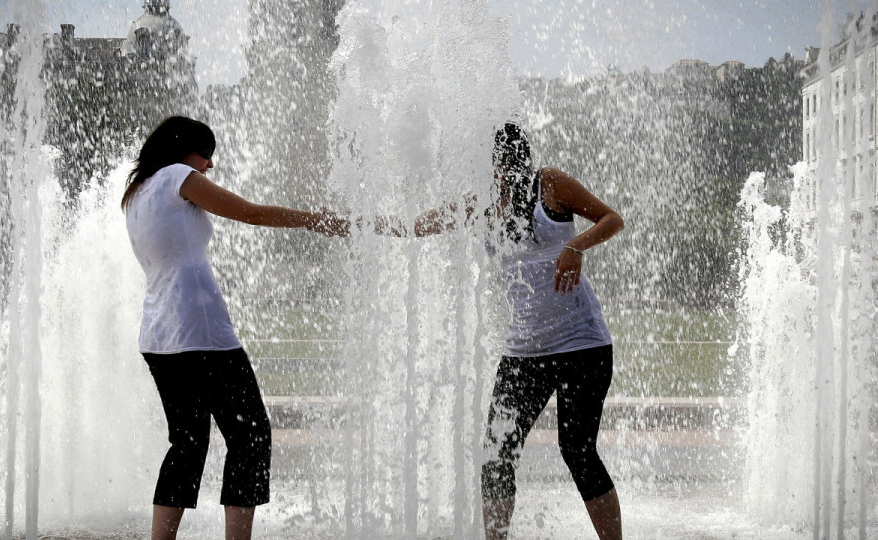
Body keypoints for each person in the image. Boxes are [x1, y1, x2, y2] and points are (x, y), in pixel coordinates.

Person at [375, 122, 624, 539]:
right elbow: (418, 226)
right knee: (496, 455)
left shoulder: (550, 185)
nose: (503, 170)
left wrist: (575, 245)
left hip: (582, 345)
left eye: (510, 162)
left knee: (577, 450)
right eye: (498, 164)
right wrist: (355, 223)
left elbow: (612, 219)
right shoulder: (483, 203)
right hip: (524, 351)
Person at [121, 116, 347, 540]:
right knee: (251, 434)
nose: (209, 165)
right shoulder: (177, 176)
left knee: (187, 444)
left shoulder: (137, 192)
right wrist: (314, 220)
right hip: (200, 332)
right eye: (205, 154)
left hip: (159, 336)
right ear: (183, 150)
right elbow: (250, 213)